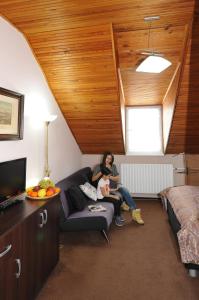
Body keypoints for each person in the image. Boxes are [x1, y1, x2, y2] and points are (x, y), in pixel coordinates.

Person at [92, 152, 144, 225]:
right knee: (118, 198)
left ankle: (134, 211)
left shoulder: (113, 166)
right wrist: (101, 173)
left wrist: (109, 176)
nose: (108, 160)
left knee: (124, 190)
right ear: (104, 158)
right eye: (107, 158)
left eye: (110, 159)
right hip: (106, 189)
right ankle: (122, 208)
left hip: (115, 187)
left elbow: (117, 179)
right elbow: (93, 179)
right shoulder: (98, 167)